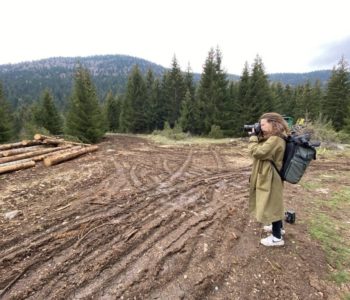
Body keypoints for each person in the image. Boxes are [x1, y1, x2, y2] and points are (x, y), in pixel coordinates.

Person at [248, 112, 290, 247]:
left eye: (262, 124)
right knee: (274, 202)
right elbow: (263, 149)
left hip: (271, 176)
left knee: (273, 204)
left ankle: (277, 238)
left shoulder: (275, 139)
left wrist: (253, 137)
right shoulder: (275, 138)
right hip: (270, 175)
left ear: (272, 123)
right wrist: (259, 135)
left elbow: (257, 152)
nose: (260, 126)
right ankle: (279, 229)